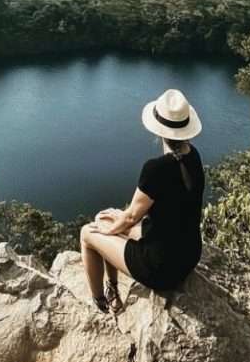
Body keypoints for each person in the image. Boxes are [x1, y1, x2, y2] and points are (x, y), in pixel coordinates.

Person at [79, 88, 206, 313]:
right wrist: (115, 221)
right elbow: (135, 215)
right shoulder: (193, 156)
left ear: (159, 131)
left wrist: (106, 231)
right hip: (188, 256)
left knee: (88, 234)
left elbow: (130, 217)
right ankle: (112, 286)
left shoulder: (155, 168)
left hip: (160, 269)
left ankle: (100, 301)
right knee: (107, 217)